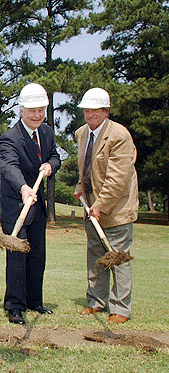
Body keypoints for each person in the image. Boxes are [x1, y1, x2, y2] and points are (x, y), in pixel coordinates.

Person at [0, 83, 61, 325]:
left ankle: (35, 300)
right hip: (15, 204)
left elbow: (55, 156)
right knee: (17, 255)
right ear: (21, 110)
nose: (37, 115)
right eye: (32, 110)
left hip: (37, 205)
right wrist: (24, 188)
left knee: (37, 254)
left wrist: (50, 165)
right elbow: (9, 167)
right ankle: (14, 305)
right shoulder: (9, 138)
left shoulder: (46, 132)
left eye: (41, 110)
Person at [74, 88, 138, 324]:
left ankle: (120, 308)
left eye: (95, 110)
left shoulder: (120, 136)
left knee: (117, 258)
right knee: (95, 257)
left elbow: (118, 179)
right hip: (91, 210)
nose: (90, 114)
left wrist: (100, 205)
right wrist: (81, 185)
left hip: (116, 209)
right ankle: (96, 302)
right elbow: (87, 167)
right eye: (86, 110)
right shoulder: (82, 133)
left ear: (105, 111)